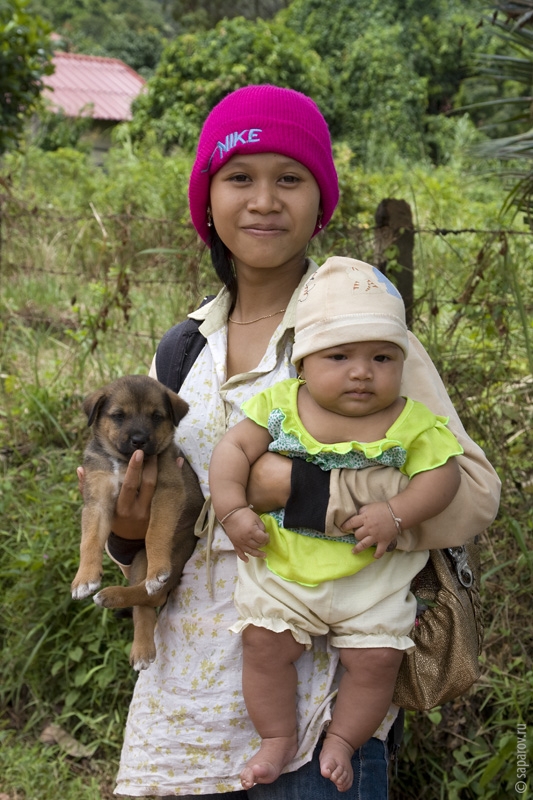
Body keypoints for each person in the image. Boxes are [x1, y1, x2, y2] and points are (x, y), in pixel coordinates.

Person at [88, 84, 500, 798]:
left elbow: (472, 495)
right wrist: (127, 526)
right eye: (239, 177)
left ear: (320, 200)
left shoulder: (363, 337)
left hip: (320, 703)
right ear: (207, 200)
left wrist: (302, 492)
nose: (264, 200)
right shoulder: (184, 347)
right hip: (181, 702)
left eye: (290, 179)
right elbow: (153, 526)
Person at [208, 257, 464, 792]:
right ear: (303, 362)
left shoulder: (411, 418)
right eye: (339, 356)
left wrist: (397, 513)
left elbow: (444, 476)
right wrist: (232, 510)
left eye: (381, 357)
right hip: (282, 566)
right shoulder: (279, 405)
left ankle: (343, 740)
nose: (362, 371)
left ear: (402, 362)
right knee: (264, 645)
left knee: (375, 661)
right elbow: (231, 450)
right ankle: (277, 738)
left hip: (371, 578)